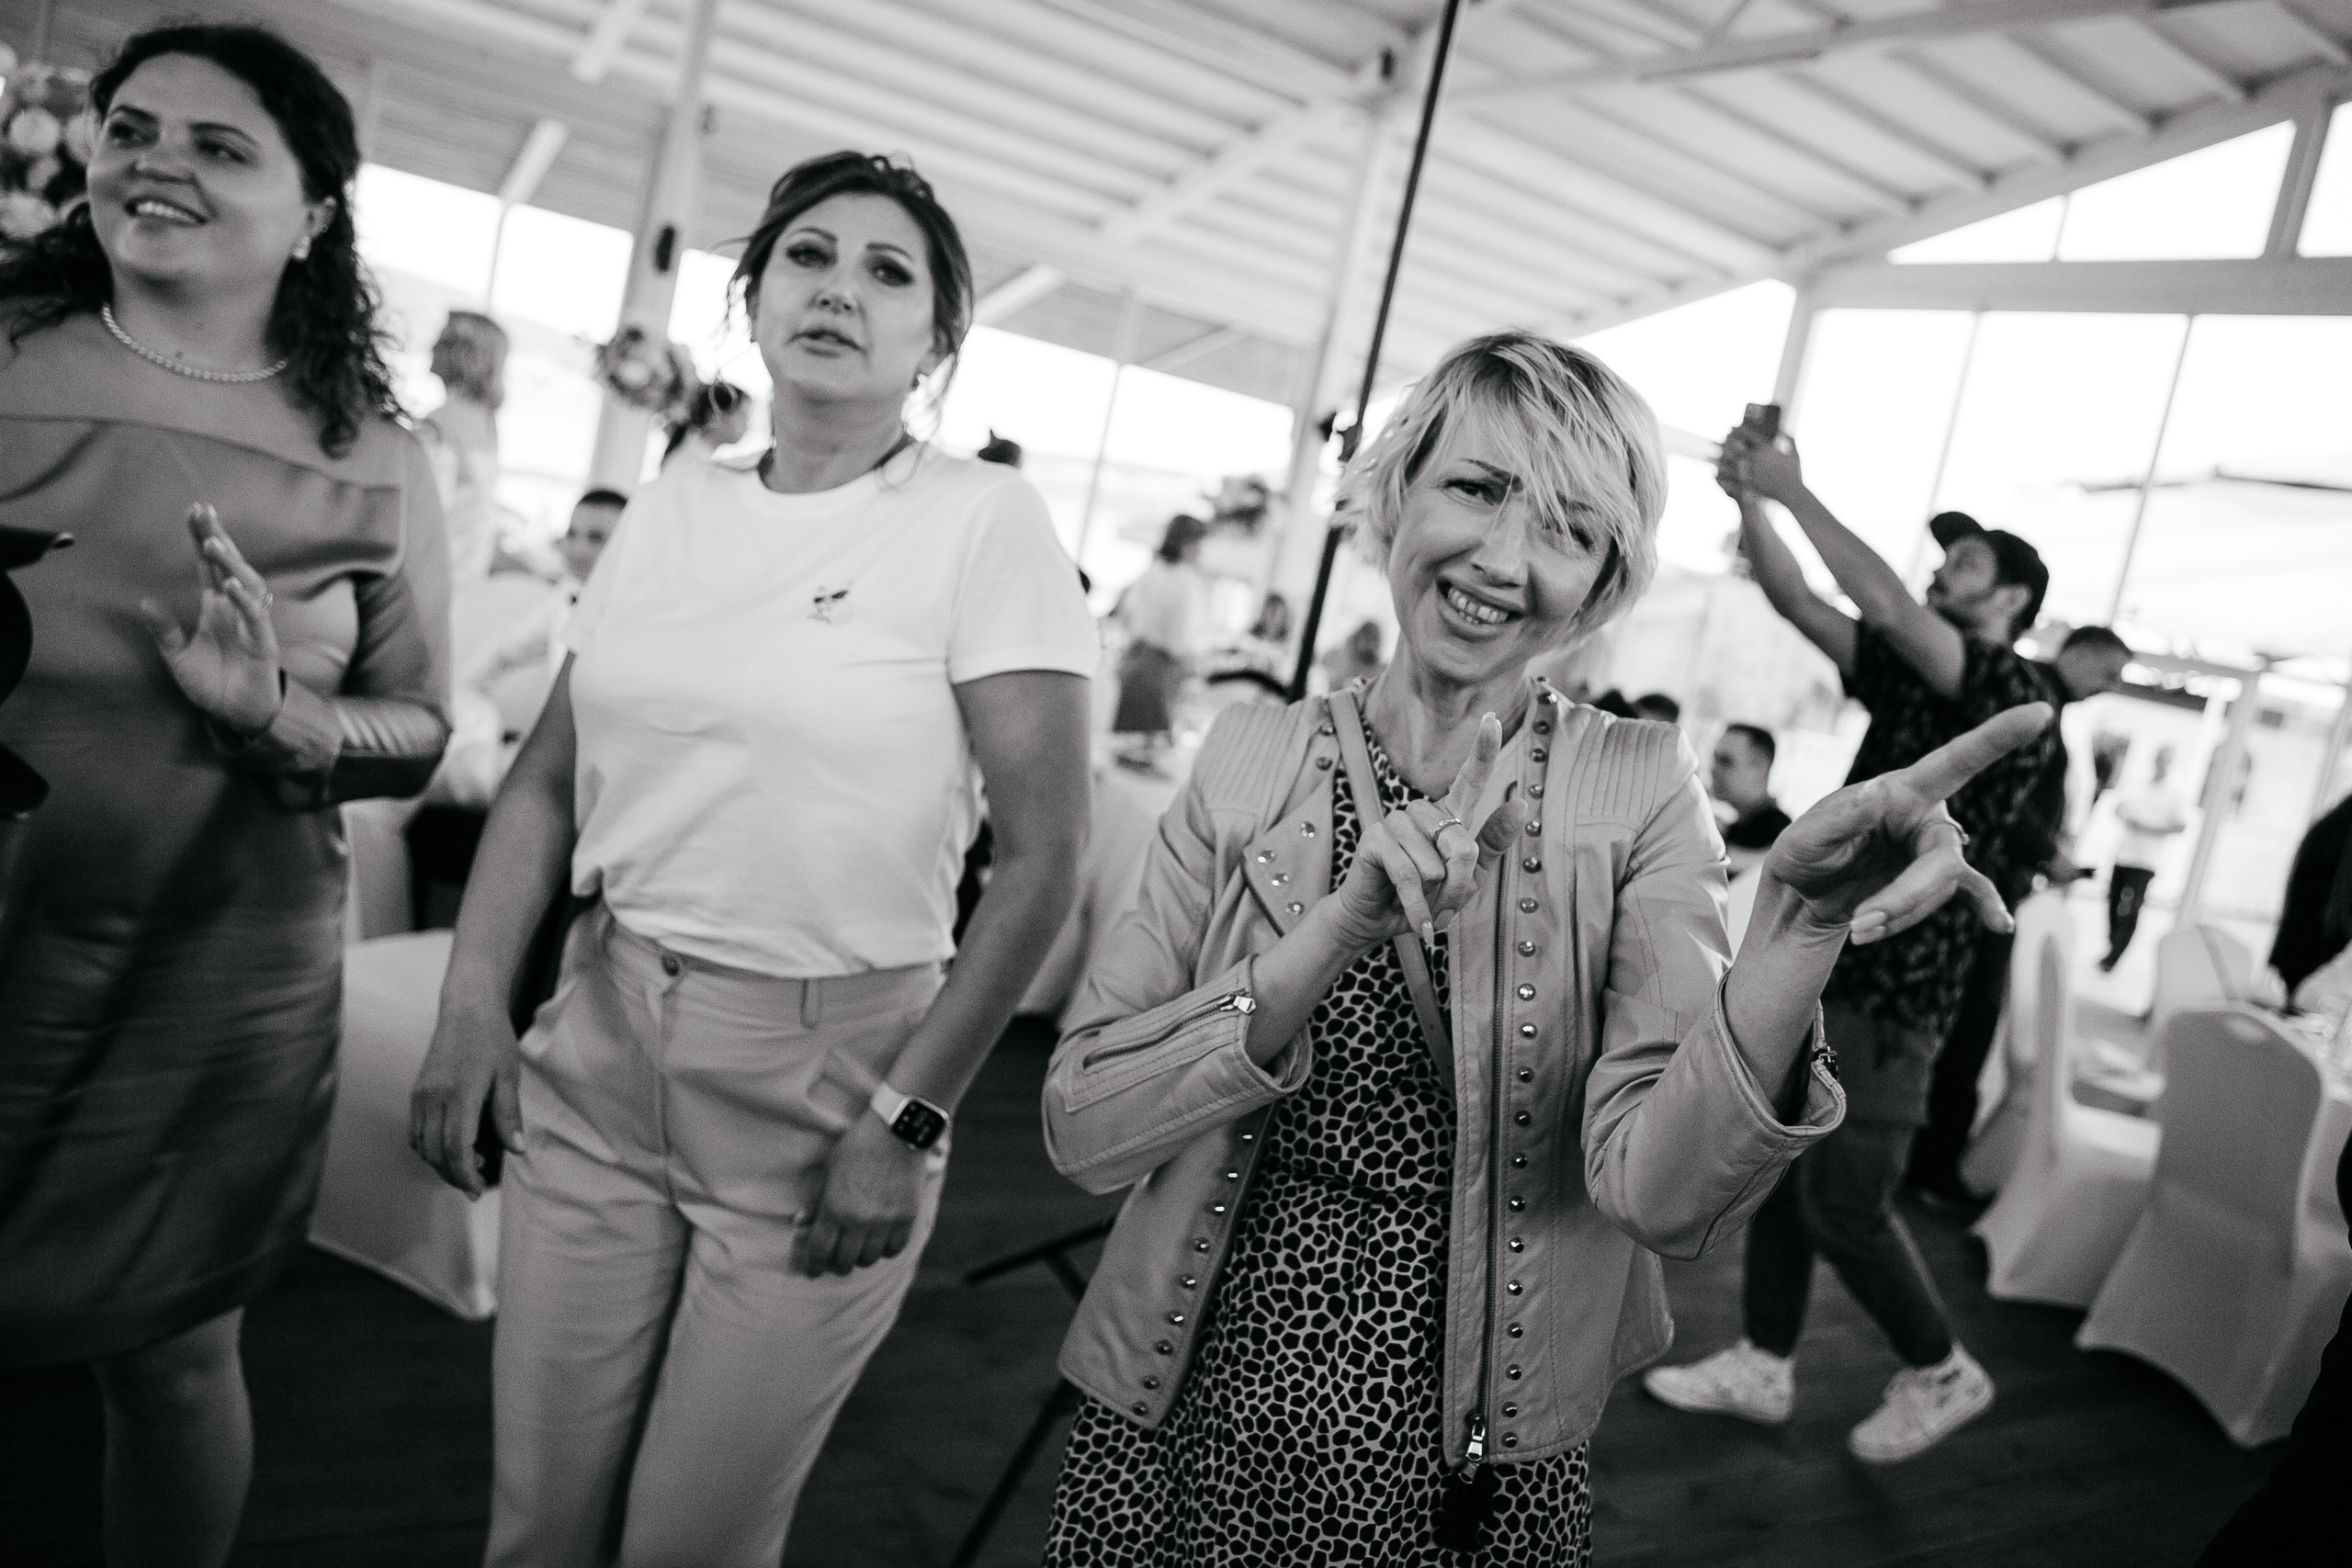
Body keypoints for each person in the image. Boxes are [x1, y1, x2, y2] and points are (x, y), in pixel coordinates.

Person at [1038, 329, 2048, 1565]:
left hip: (1473, 1425)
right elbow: (1085, 1124)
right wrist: (1331, 933)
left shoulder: (1638, 787)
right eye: (1477, 487)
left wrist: (1796, 928)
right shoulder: (1251, 751)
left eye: (1570, 528)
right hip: (1186, 1370)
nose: (1506, 560)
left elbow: (1663, 1194)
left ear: (1605, 579)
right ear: (1399, 487)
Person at [407, 149, 1095, 1567]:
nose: (841, 287)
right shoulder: (676, 498)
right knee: (536, 1521)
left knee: (691, 1542)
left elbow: (1044, 860)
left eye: (888, 272)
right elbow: (543, 778)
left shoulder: (982, 521)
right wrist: (473, 1000)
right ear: (757, 296)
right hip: (598, 1038)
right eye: (810, 256)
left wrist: (906, 1120)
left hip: (828, 1082)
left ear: (934, 343)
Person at [0, 25, 452, 1567]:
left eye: (217, 143)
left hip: (214, 976)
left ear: (315, 212)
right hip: (3, 931)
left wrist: (285, 713)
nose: (156, 161)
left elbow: (427, 730)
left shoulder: (377, 458)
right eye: (134, 128)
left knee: (175, 1356)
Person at [1645, 448, 2092, 1464]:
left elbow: (1886, 607)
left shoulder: (2011, 684)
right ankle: (1763, 1359)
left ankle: (1940, 1365)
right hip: (1834, 953)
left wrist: (1795, 488)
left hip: (1902, 983)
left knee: (1845, 1203)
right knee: (1784, 1168)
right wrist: (1752, 502)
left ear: (2015, 597)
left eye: (1968, 562)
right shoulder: (1912, 673)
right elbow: (1800, 597)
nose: (1944, 571)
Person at [1906, 621, 2132, 1211]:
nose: (2109, 686)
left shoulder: (2047, 704)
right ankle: (1929, 1167)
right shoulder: (2030, 700)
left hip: (1996, 880)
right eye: (2108, 672)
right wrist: (2043, 853)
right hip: (1986, 888)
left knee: (1965, 1029)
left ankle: (1924, 1159)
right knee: (1967, 1030)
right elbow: (2009, 800)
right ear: (2078, 653)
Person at [1112, 513, 1210, 769]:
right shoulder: (1182, 582)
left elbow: (1128, 616)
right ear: (1187, 543)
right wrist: (1192, 664)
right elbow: (1181, 637)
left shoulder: (1151, 573)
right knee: (1145, 752)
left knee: (1129, 750)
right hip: (1158, 668)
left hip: (1137, 661)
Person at [418, 307, 508, 585]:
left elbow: (424, 515)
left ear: (465, 354)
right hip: (467, 577)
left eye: (443, 339)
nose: (431, 345)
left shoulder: (439, 423)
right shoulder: (487, 421)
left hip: (433, 576)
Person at [2101, 745, 2187, 972]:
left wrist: (2148, 826)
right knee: (2112, 901)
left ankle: (2115, 955)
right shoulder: (2137, 784)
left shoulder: (2175, 793)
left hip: (2148, 859)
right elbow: (2119, 808)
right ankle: (2113, 942)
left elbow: (2180, 825)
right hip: (2124, 853)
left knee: (2131, 907)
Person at [1711, 722, 1790, 873]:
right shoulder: (1737, 827)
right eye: (1715, 758)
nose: (1713, 769)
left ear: (1759, 767)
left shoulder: (1778, 833)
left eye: (1726, 761)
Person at [659, 377, 751, 468]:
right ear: (713, 419)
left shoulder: (694, 452)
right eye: (742, 417)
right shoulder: (692, 463)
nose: (747, 426)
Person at [1319, 615, 1387, 690]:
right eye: (1367, 638)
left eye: (1374, 640)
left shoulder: (1380, 672)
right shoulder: (1334, 657)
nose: (1371, 645)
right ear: (1359, 637)